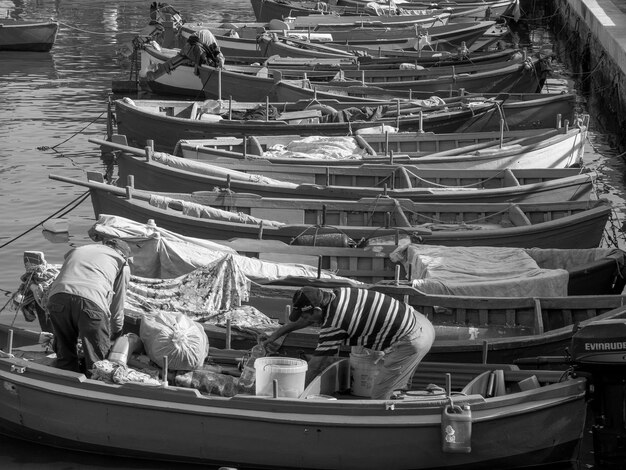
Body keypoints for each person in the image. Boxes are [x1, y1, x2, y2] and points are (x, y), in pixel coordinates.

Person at [263, 286, 435, 400]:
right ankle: (399, 393)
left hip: (412, 340)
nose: (306, 320)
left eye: (307, 316)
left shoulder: (334, 324)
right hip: (419, 320)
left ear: (317, 310)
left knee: (379, 398)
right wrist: (275, 335)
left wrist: (294, 398)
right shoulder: (336, 294)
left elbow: (316, 366)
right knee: (396, 386)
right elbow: (304, 320)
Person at [46, 239, 132, 374]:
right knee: (97, 363)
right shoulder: (122, 264)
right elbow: (117, 307)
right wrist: (116, 334)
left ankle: (65, 381)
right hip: (91, 303)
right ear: (124, 255)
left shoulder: (80, 250)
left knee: (65, 353)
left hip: (57, 298)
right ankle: (93, 386)